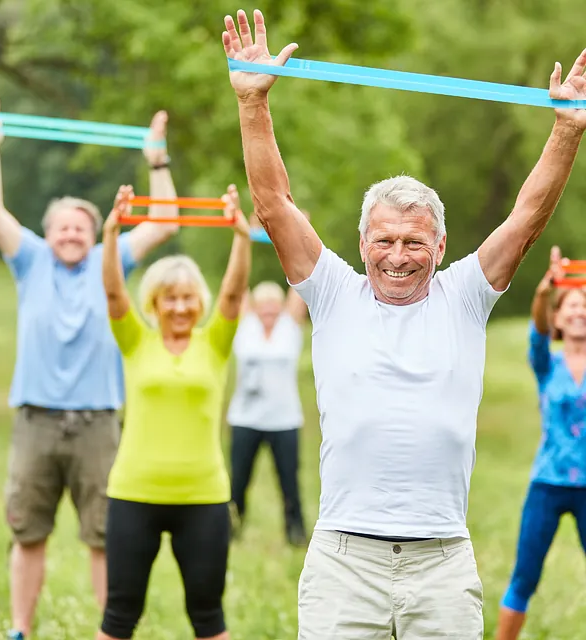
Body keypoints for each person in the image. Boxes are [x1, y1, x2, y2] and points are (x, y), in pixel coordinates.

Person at [222, 9, 586, 639]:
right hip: (344, 559)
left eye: (414, 241)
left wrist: (567, 131)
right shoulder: (333, 291)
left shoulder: (465, 295)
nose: (397, 255)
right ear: (362, 243)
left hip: (441, 560)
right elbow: (274, 205)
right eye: (384, 239)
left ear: (441, 246)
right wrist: (253, 104)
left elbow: (526, 219)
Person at [0, 97, 180, 640]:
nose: (70, 235)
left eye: (80, 228)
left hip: (97, 423)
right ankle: (20, 629)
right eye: (62, 227)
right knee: (28, 534)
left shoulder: (111, 261)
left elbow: (164, 223)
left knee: (104, 537)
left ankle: (109, 633)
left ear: (95, 234)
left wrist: (156, 159)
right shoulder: (31, 259)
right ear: (48, 233)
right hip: (36, 421)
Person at [96, 183, 251, 640]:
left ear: (198, 302)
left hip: (202, 498)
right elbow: (111, 295)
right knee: (119, 616)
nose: (180, 307)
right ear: (155, 302)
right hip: (133, 494)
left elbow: (234, 296)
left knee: (208, 617)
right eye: (170, 298)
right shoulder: (135, 340)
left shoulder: (215, 343)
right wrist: (110, 234)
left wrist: (241, 237)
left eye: (188, 298)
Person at [496, 247, 586, 640]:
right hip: (547, 484)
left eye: (585, 305)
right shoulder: (546, 363)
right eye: (570, 306)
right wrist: (544, 292)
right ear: (558, 318)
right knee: (525, 575)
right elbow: (537, 329)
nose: (579, 311)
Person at [227, 214, 309, 545]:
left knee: (289, 481)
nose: (269, 311)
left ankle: (295, 535)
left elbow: (302, 276)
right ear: (256, 307)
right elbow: (237, 284)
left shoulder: (290, 327)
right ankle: (230, 532)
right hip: (245, 418)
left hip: (284, 420)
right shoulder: (244, 325)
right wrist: (244, 236)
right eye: (264, 305)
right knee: (238, 482)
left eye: (275, 305)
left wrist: (299, 232)